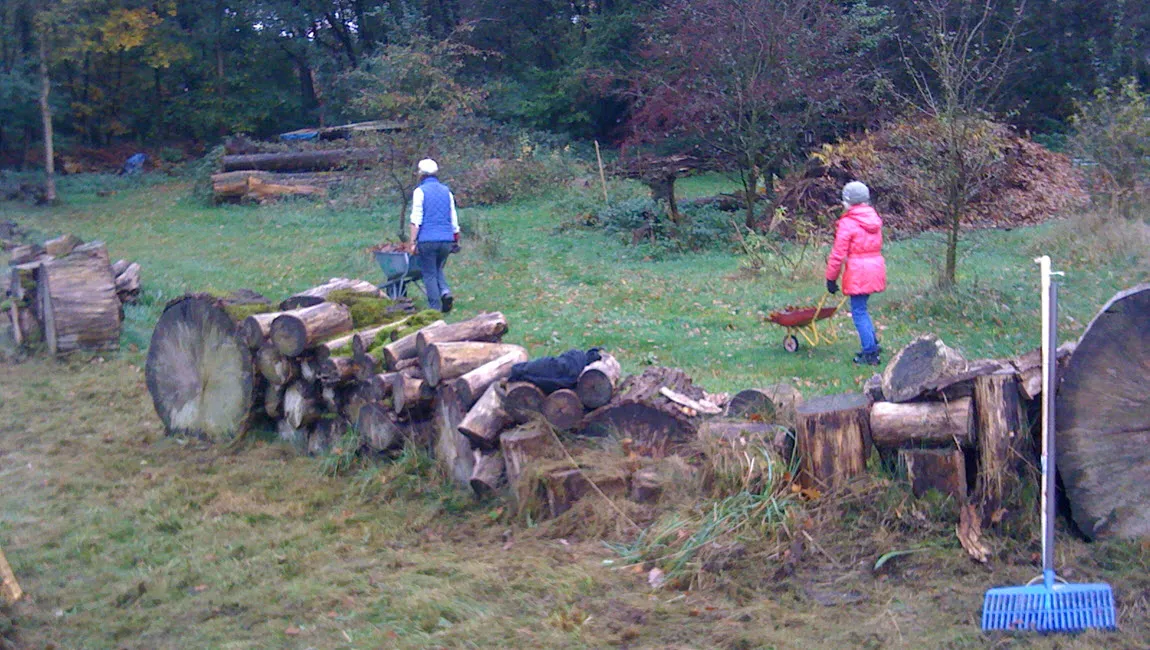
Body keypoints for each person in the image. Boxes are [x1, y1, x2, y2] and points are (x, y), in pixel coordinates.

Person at [825, 180, 886, 365]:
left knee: (859, 311)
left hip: (859, 271)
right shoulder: (873, 219)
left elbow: (838, 254)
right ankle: (872, 343)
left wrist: (830, 279)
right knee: (862, 308)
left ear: (849, 202)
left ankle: (870, 353)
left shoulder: (848, 223)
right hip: (875, 267)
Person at [407, 158, 461, 313]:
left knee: (428, 273)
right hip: (446, 239)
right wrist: (455, 237)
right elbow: (453, 217)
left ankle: (434, 308)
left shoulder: (420, 191)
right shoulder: (446, 191)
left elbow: (416, 219)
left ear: (421, 175)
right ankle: (445, 292)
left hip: (427, 240)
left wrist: (412, 242)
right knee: (437, 268)